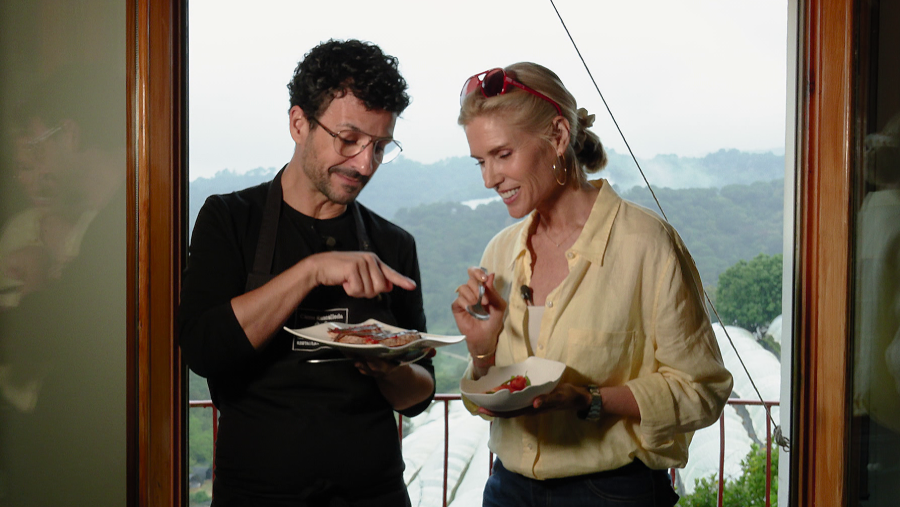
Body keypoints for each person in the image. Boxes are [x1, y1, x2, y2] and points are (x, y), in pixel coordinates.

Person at [451, 63, 733, 507]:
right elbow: (486, 393)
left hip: (613, 492)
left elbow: (703, 390)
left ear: (558, 137)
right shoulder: (500, 254)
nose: (489, 178)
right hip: (507, 489)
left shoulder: (647, 244)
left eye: (503, 155)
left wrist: (589, 400)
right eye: (480, 162)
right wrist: (482, 351)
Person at [178, 39, 435, 506]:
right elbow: (204, 350)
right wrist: (312, 270)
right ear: (299, 123)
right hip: (257, 494)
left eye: (380, 146)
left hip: (374, 493)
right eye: (349, 139)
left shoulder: (393, 244)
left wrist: (387, 366)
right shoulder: (229, 219)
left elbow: (418, 395)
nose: (365, 163)